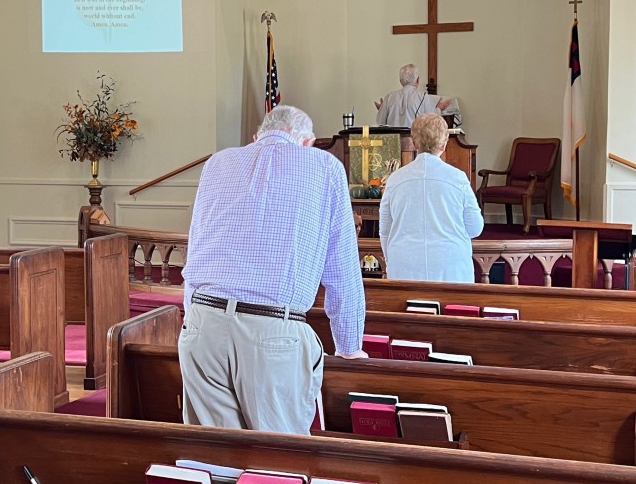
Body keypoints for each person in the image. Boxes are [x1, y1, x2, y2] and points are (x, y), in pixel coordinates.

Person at [179, 105, 368, 435]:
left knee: (212, 454)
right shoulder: (325, 167)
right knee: (277, 456)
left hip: (203, 325)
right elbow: (342, 269)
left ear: (257, 137)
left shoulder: (217, 163)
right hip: (272, 334)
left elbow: (195, 246)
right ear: (307, 142)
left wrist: (191, 319)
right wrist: (349, 346)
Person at [379, 113, 484, 283]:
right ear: (444, 144)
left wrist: (391, 260)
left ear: (414, 143)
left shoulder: (395, 179)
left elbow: (385, 230)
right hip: (450, 267)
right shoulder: (458, 178)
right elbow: (475, 228)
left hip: (404, 266)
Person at [375, 63, 454, 128]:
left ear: (400, 81)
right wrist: (439, 108)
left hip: (393, 141)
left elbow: (380, 122)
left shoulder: (389, 97)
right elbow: (431, 121)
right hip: (414, 140)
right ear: (417, 80)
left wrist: (382, 109)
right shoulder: (423, 97)